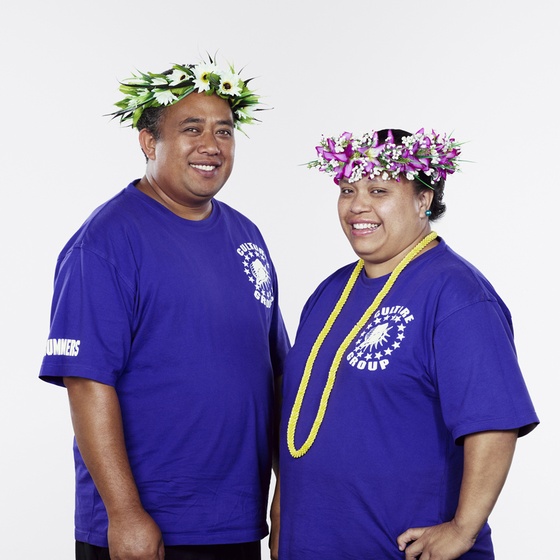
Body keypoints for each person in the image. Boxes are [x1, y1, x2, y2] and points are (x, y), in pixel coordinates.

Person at [39, 56, 290, 560]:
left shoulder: (247, 235)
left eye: (224, 131)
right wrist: (124, 513)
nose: (210, 146)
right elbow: (87, 381)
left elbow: (276, 373)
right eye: (191, 128)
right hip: (147, 527)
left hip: (236, 520)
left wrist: (291, 495)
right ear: (149, 141)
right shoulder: (105, 243)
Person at [277, 128, 539, 559]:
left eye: (378, 190)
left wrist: (461, 530)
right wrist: (285, 510)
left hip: (401, 550)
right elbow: (302, 416)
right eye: (347, 189)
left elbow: (493, 422)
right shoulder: (330, 292)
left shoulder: (457, 294)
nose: (358, 206)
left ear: (424, 199)